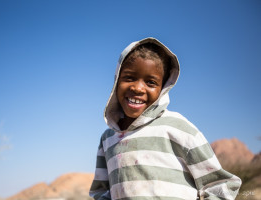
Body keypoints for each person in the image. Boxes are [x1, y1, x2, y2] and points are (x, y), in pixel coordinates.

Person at [89, 37, 241, 200]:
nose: (138, 88)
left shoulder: (178, 127)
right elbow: (101, 192)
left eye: (150, 82)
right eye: (129, 78)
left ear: (163, 88)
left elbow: (222, 185)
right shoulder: (108, 139)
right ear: (117, 80)